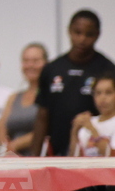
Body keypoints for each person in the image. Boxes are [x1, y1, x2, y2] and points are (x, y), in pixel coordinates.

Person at [32, 10, 115, 156]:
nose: (82, 39)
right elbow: (42, 117)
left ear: (97, 35)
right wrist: (34, 158)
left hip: (95, 153)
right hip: (58, 152)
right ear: (69, 31)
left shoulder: (107, 69)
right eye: (77, 32)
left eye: (89, 34)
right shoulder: (52, 69)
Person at [0, 43, 48, 156]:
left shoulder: (50, 96)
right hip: (11, 161)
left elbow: (48, 128)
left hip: (38, 159)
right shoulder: (14, 97)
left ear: (46, 63)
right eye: (26, 61)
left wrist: (15, 145)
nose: (30, 65)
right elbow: (2, 129)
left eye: (35, 61)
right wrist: (7, 149)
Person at [69, 73, 115, 157]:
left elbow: (110, 155)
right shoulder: (90, 122)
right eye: (98, 93)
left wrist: (92, 130)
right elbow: (73, 158)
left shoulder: (89, 125)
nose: (102, 98)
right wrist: (75, 132)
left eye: (108, 93)